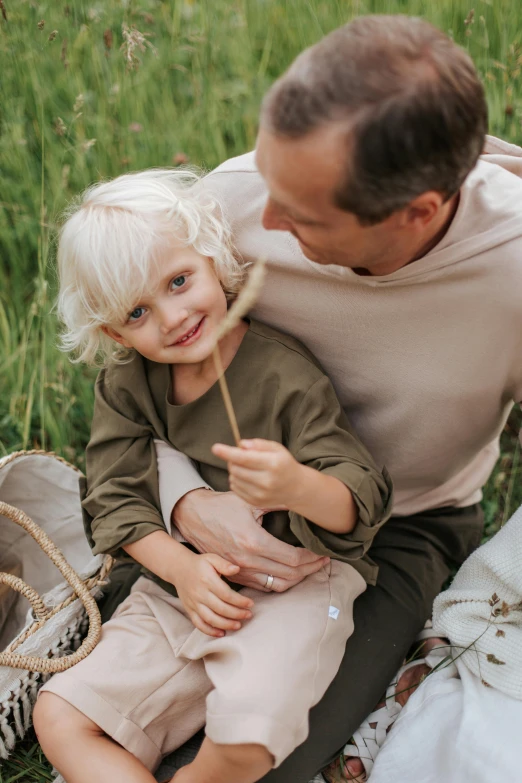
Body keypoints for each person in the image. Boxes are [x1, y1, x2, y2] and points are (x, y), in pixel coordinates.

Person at [150, 14, 522, 782]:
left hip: (398, 530)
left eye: (305, 215)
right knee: (112, 714)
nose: (269, 222)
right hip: (221, 494)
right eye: (266, 175)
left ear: (418, 211)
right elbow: (135, 385)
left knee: (262, 759)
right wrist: (187, 505)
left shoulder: (511, 271)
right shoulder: (234, 199)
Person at [33, 168, 392, 783]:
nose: (173, 317)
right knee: (59, 713)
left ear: (212, 257)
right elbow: (113, 494)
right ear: (115, 331)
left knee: (248, 734)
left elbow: (360, 497)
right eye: (139, 311)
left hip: (298, 587)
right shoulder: (126, 384)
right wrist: (182, 570)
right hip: (180, 586)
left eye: (179, 281)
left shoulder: (283, 375)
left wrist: (295, 487)